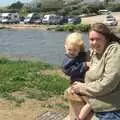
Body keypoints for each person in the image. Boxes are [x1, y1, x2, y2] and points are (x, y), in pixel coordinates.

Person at [71, 23, 120, 120]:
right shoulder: (94, 52)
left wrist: (83, 87)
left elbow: (108, 83)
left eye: (98, 39)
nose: (94, 43)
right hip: (94, 105)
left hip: (110, 110)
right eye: (91, 39)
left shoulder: (114, 50)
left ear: (106, 38)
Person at [62, 32, 93, 120]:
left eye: (75, 50)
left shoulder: (79, 55)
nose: (71, 52)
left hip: (82, 83)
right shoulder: (68, 59)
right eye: (69, 49)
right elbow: (68, 70)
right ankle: (80, 118)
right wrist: (84, 65)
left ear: (79, 49)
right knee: (91, 102)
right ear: (65, 46)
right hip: (76, 84)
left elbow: (85, 54)